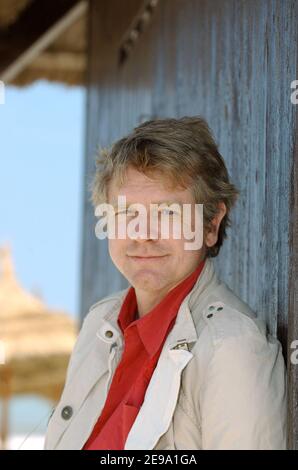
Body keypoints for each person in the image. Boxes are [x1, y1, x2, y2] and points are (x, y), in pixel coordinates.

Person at [44, 116, 287, 450]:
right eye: (128, 214)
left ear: (211, 224)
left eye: (168, 214)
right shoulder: (98, 326)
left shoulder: (232, 349)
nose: (143, 235)